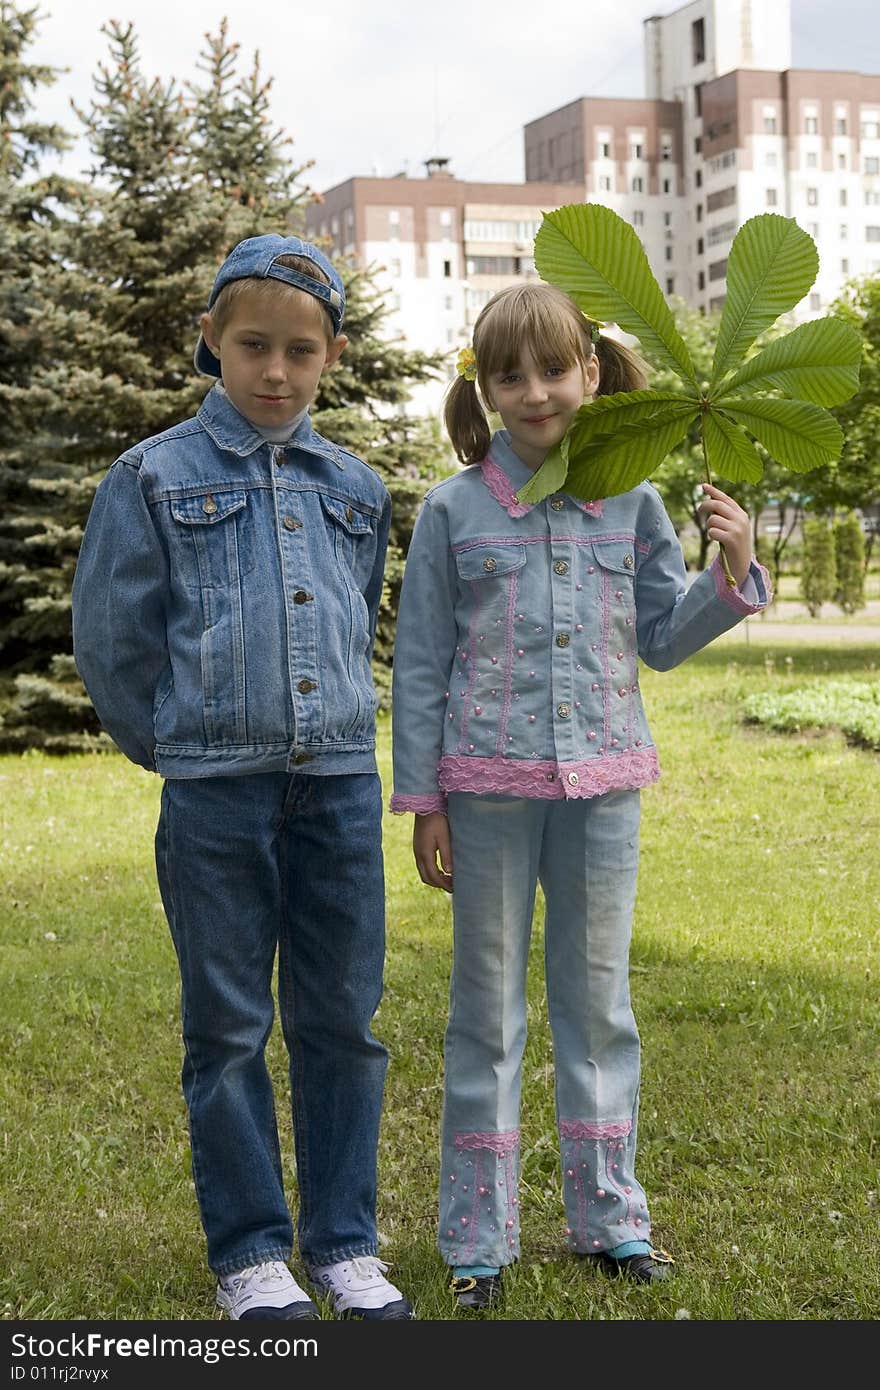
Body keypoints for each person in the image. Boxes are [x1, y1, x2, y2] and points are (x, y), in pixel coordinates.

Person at [389, 280, 771, 1311]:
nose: (533, 392)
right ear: (485, 386)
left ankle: (611, 1219)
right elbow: (420, 664)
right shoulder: (453, 508)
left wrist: (731, 568)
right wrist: (423, 800)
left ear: (591, 374)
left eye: (552, 370)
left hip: (603, 788)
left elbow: (660, 635)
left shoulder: (636, 502)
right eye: (507, 374)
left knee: (598, 1007)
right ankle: (477, 1239)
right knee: (486, 1012)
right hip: (486, 792)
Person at [72, 234, 413, 1322]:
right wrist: (177, 745)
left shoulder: (354, 485)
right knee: (226, 1026)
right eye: (253, 346)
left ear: (332, 357)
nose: (275, 370)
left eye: (299, 351)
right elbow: (114, 642)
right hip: (217, 794)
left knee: (343, 1018)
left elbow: (356, 609)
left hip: (342, 788)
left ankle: (346, 1242)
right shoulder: (154, 475)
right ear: (210, 342)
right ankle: (253, 1251)